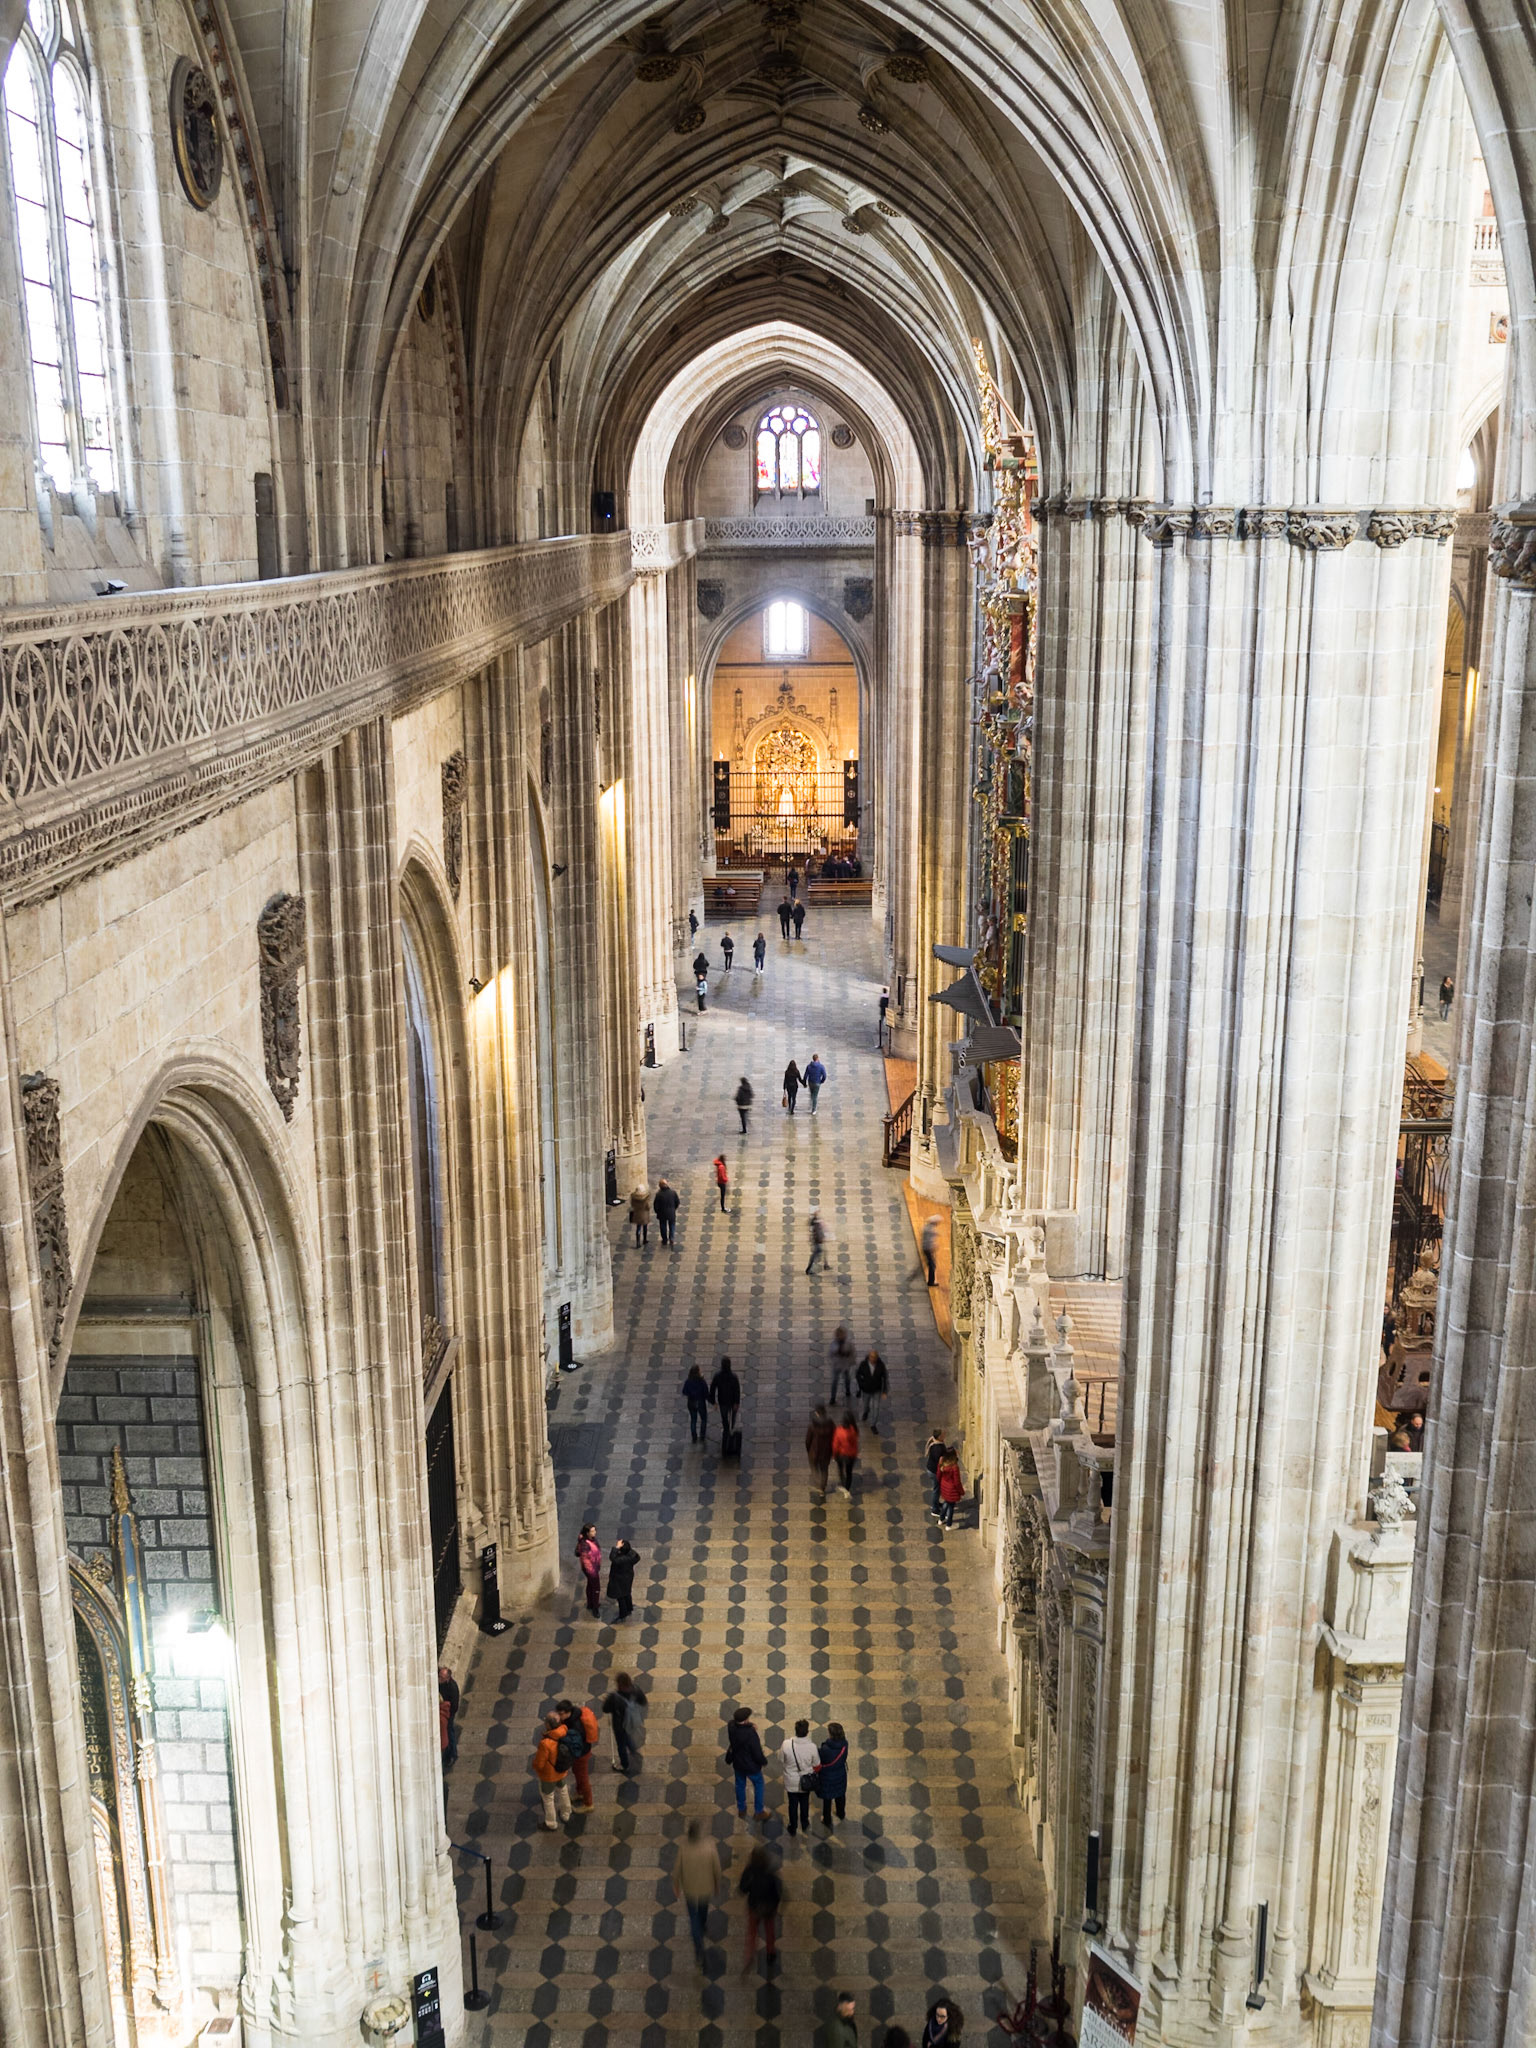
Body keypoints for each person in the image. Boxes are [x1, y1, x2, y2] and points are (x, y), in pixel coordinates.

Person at [674, 1817, 722, 1964]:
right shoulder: (710, 1846)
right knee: (702, 1910)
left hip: (689, 1888)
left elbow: (677, 1870)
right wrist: (716, 1884)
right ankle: (703, 1925)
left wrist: (676, 1885)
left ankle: (699, 1947)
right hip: (705, 1887)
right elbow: (717, 1869)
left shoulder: (683, 1848)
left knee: (693, 1918)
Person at [738, 1844, 783, 1973]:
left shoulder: (750, 1871)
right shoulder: (770, 1871)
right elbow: (777, 1892)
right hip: (769, 1908)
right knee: (770, 1931)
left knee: (752, 1932)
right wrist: (775, 1905)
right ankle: (770, 1953)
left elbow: (742, 1889)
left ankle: (750, 1954)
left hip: (754, 1906)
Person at [555, 1695, 600, 1810]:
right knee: (577, 1772)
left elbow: (574, 1743)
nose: (559, 1716)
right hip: (583, 1751)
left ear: (567, 1712)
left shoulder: (575, 1726)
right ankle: (579, 1793)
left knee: (583, 1777)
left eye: (560, 1714)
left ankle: (588, 1804)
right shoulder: (574, 1714)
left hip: (581, 1754)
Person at [532, 1710, 574, 1830]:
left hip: (549, 1775)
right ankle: (566, 1813)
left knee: (548, 1798)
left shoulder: (546, 1743)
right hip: (562, 1770)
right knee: (563, 1790)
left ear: (548, 1725)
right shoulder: (564, 1731)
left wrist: (535, 1766)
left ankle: (551, 1823)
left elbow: (540, 1763)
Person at [780, 1716, 821, 1834]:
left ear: (795, 1730)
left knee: (792, 1804)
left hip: (791, 1780)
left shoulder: (786, 1744)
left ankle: (792, 1826)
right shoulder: (812, 1747)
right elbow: (817, 1764)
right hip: (806, 1781)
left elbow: (781, 1759)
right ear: (807, 1732)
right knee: (804, 1802)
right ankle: (804, 1823)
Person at [727, 1704, 767, 1818]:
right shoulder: (750, 1734)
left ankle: (741, 1808)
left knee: (740, 1784)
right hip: (751, 1766)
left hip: (738, 1763)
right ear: (745, 1720)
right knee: (759, 1784)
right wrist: (763, 1761)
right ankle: (759, 1811)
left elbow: (736, 1724)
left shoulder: (731, 1726)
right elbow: (756, 1752)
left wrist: (749, 1725)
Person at [602, 1671, 647, 1773]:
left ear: (619, 1684)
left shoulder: (614, 1697)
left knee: (621, 1744)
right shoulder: (636, 1689)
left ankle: (624, 1765)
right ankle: (633, 1750)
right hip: (633, 1721)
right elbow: (643, 1701)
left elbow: (605, 1709)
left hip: (620, 1725)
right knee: (628, 1736)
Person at [817, 1722, 849, 1828]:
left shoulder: (826, 1749)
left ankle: (827, 1819)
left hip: (827, 1776)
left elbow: (820, 1760)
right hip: (840, 1774)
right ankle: (841, 1813)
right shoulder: (845, 1744)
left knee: (827, 1798)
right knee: (840, 1795)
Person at [607, 1536, 640, 1621]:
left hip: (619, 1579)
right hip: (628, 1577)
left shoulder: (621, 1559)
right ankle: (629, 1608)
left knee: (620, 1596)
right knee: (627, 1593)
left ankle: (623, 1613)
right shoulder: (632, 1555)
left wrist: (616, 1548)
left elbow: (612, 1558)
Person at [805, 1405, 836, 1498]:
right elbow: (835, 1438)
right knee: (824, 1470)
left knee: (814, 1468)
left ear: (817, 1413)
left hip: (814, 1453)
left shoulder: (813, 1426)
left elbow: (808, 1440)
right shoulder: (831, 1424)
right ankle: (822, 1488)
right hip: (826, 1452)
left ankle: (817, 1482)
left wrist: (809, 1450)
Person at [856, 1349, 889, 1433]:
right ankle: (866, 1412)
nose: (872, 1359)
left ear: (877, 1358)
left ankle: (873, 1424)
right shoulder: (863, 1364)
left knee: (876, 1408)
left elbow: (885, 1378)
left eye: (874, 1357)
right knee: (866, 1404)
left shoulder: (880, 1366)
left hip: (876, 1390)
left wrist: (884, 1391)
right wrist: (861, 1384)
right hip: (866, 1390)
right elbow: (858, 1374)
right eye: (871, 1357)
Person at [710, 1356, 742, 1438]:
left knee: (724, 1417)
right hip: (732, 1400)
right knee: (733, 1415)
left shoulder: (717, 1376)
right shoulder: (734, 1377)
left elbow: (712, 1389)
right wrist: (737, 1402)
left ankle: (726, 1430)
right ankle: (731, 1428)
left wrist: (713, 1401)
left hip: (722, 1400)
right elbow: (737, 1390)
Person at [576, 1523, 602, 1615]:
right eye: (592, 1531)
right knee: (596, 1588)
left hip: (594, 1566)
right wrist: (592, 1572)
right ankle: (595, 1608)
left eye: (595, 1530)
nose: (595, 1532)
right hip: (591, 1569)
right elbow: (585, 1559)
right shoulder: (585, 1545)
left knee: (590, 1585)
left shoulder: (591, 1539)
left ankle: (590, 1603)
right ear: (587, 1533)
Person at [832, 1413, 860, 1494]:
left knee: (840, 1468)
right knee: (849, 1472)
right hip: (851, 1455)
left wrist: (834, 1455)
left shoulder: (839, 1431)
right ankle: (847, 1489)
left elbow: (835, 1444)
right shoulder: (854, 1430)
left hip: (841, 1454)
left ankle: (842, 1481)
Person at [438, 1664, 460, 1767]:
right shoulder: (441, 1683)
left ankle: (452, 1755)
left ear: (447, 1678)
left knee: (450, 1732)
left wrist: (449, 1716)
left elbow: (454, 1706)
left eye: (441, 1678)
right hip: (443, 1711)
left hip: (449, 1713)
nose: (439, 1679)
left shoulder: (452, 1688)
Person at [937, 1449, 965, 1528]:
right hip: (952, 1489)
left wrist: (939, 1484)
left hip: (944, 1486)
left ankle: (941, 1519)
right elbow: (957, 1482)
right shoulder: (954, 1467)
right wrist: (961, 1491)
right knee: (951, 1507)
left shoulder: (942, 1463)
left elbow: (938, 1475)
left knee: (946, 1503)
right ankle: (949, 1525)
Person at [683, 1363, 711, 1441]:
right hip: (700, 1402)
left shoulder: (688, 1381)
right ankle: (702, 1435)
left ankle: (694, 1436)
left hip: (691, 1402)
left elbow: (684, 1392)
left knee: (693, 1419)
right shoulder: (701, 1381)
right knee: (703, 1419)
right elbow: (706, 1393)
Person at [925, 1428, 949, 1517]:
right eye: (943, 1434)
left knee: (936, 1489)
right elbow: (940, 1461)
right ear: (939, 1437)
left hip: (931, 1469)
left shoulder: (936, 1444)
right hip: (934, 1471)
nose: (945, 1435)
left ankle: (936, 1503)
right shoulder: (938, 1448)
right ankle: (935, 1509)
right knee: (936, 1490)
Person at [829, 1326, 856, 1402]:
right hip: (837, 1365)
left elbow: (852, 1353)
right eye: (838, 1335)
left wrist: (850, 1361)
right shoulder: (834, 1344)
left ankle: (847, 1390)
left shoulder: (848, 1343)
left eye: (842, 1335)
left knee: (847, 1378)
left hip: (845, 1364)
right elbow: (831, 1354)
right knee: (835, 1381)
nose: (840, 1337)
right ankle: (833, 1397)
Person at [654, 1177, 679, 1246]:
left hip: (662, 1214)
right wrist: (674, 1209)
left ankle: (664, 1239)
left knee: (663, 1226)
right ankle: (671, 1238)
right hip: (671, 1213)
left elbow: (656, 1205)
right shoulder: (673, 1193)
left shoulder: (658, 1195)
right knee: (672, 1225)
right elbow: (677, 1202)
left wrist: (657, 1212)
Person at [921, 1214, 941, 1287]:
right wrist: (933, 1246)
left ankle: (930, 1281)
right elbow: (932, 1237)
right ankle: (931, 1282)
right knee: (932, 1265)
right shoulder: (929, 1229)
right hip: (927, 1249)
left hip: (927, 1248)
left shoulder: (928, 1227)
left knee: (930, 1264)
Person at [806, 1210, 829, 1275]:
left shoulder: (815, 1221)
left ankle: (826, 1265)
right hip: (817, 1241)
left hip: (818, 1241)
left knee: (824, 1252)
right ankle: (809, 1269)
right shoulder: (815, 1222)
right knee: (815, 1255)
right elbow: (817, 1233)